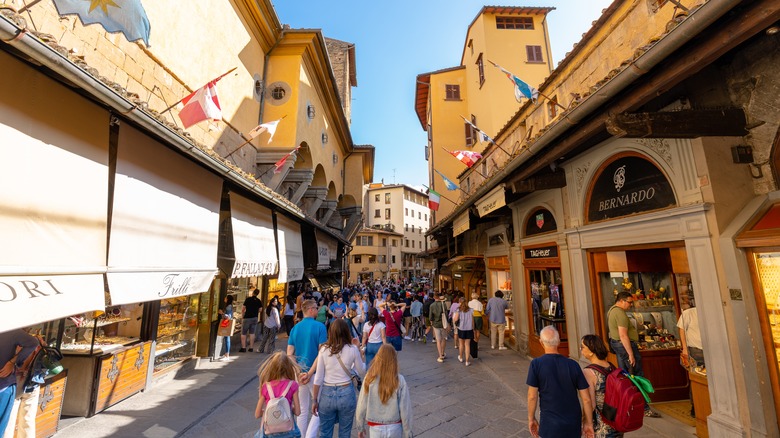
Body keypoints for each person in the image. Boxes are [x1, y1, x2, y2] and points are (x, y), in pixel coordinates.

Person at [526, 326, 595, 438]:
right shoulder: (573, 365)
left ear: (541, 342)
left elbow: (532, 396)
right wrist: (589, 423)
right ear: (558, 342)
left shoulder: (536, 364)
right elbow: (586, 399)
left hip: (550, 423)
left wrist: (531, 418)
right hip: (572, 423)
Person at [607, 292, 660, 417]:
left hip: (618, 345)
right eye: (629, 302)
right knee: (636, 376)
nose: (631, 305)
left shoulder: (612, 311)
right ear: (621, 301)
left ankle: (626, 405)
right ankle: (644, 408)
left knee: (625, 376)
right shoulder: (619, 313)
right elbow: (623, 335)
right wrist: (630, 353)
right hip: (625, 346)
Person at [312, 319, 366, 438]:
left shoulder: (324, 350)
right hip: (346, 391)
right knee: (345, 432)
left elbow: (318, 378)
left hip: (327, 393)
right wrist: (361, 352)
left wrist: (315, 400)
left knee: (325, 432)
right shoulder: (352, 349)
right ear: (346, 331)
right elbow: (362, 370)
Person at [287, 299, 328, 437]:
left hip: (299, 375)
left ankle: (301, 435)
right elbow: (322, 353)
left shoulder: (295, 328)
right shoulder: (320, 327)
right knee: (319, 409)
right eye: (316, 308)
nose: (317, 310)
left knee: (302, 410)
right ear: (310, 310)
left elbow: (289, 354)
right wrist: (309, 373)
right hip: (315, 374)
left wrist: (299, 371)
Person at [355, 345, 413, 438]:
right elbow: (405, 409)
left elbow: (362, 404)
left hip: (375, 427)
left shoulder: (369, 378)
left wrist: (360, 427)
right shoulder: (399, 379)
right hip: (395, 426)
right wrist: (408, 432)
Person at [581, 334, 623, 438]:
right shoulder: (612, 366)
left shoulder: (588, 372)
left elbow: (590, 403)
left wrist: (587, 423)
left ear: (591, 351)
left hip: (601, 426)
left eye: (582, 347)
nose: (580, 349)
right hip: (617, 422)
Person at [0, 329, 39, 437]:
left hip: (6, 386)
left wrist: (13, 362)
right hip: (6, 386)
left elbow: (33, 343)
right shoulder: (11, 329)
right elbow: (33, 343)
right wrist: (14, 362)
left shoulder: (11, 330)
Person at [254, 351, 302, 438]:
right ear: (289, 368)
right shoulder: (293, 385)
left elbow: (257, 414)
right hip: (288, 430)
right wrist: (287, 408)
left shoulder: (266, 386)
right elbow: (298, 412)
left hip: (270, 432)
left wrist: (270, 411)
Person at [453, 297, 475, 366]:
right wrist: (473, 328)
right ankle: (467, 361)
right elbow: (472, 321)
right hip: (469, 328)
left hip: (461, 329)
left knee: (461, 344)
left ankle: (461, 357)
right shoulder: (471, 310)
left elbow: (456, 319)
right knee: (467, 345)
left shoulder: (458, 310)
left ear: (460, 302)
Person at [242, 288, 264, 352]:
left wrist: (242, 315)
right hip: (255, 318)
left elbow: (243, 309)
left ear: (252, 293)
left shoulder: (248, 299)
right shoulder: (258, 301)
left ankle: (243, 347)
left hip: (247, 317)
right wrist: (255, 312)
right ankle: (251, 347)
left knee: (244, 332)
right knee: (252, 333)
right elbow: (260, 310)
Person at [428, 293, 448, 363]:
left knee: (438, 340)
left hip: (436, 324)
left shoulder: (432, 305)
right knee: (444, 338)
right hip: (443, 324)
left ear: (434, 297)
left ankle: (440, 356)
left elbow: (430, 317)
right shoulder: (443, 304)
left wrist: (431, 322)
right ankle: (442, 352)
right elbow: (446, 315)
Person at [218, 295, 235, 360]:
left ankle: (227, 355)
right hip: (227, 323)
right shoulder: (229, 306)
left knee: (227, 338)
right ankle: (226, 354)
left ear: (228, 299)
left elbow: (228, 317)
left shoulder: (228, 307)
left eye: (225, 298)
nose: (224, 298)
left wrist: (222, 313)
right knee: (226, 338)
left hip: (226, 323)